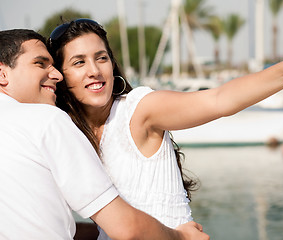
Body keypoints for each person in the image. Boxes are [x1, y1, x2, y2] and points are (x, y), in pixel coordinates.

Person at [48, 18, 283, 239]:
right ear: (61, 75)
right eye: (79, 62)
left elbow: (218, 100)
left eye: (101, 58)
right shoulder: (69, 133)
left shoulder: (137, 109)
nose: (94, 70)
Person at [0, 29, 209, 240]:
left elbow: (38, 223)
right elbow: (126, 229)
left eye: (101, 58)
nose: (57, 75)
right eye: (40, 63)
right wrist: (182, 237)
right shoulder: (47, 120)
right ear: (2, 74)